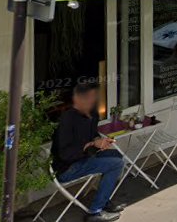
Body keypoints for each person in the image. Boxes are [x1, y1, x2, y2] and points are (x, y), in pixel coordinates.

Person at [52, 83, 126, 221]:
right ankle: (94, 212)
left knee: (116, 155)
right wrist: (92, 144)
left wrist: (100, 141)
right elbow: (65, 154)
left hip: (84, 158)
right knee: (115, 164)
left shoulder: (91, 114)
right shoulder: (67, 120)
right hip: (67, 167)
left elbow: (93, 134)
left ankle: (104, 199)